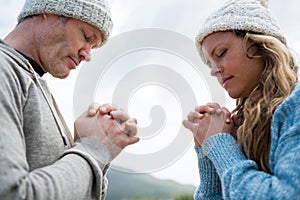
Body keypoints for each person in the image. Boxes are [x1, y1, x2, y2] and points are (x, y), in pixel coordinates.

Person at [0, 0, 139, 199]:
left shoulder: (35, 83)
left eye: (94, 46)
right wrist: (93, 148)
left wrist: (89, 144)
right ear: (47, 10)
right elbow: (12, 194)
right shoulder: (4, 70)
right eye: (86, 36)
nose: (87, 55)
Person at [183, 0, 300, 199]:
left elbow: (285, 195)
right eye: (209, 63)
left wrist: (219, 144)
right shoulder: (246, 126)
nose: (213, 70)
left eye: (220, 53)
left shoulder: (295, 106)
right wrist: (208, 152)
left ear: (258, 44)